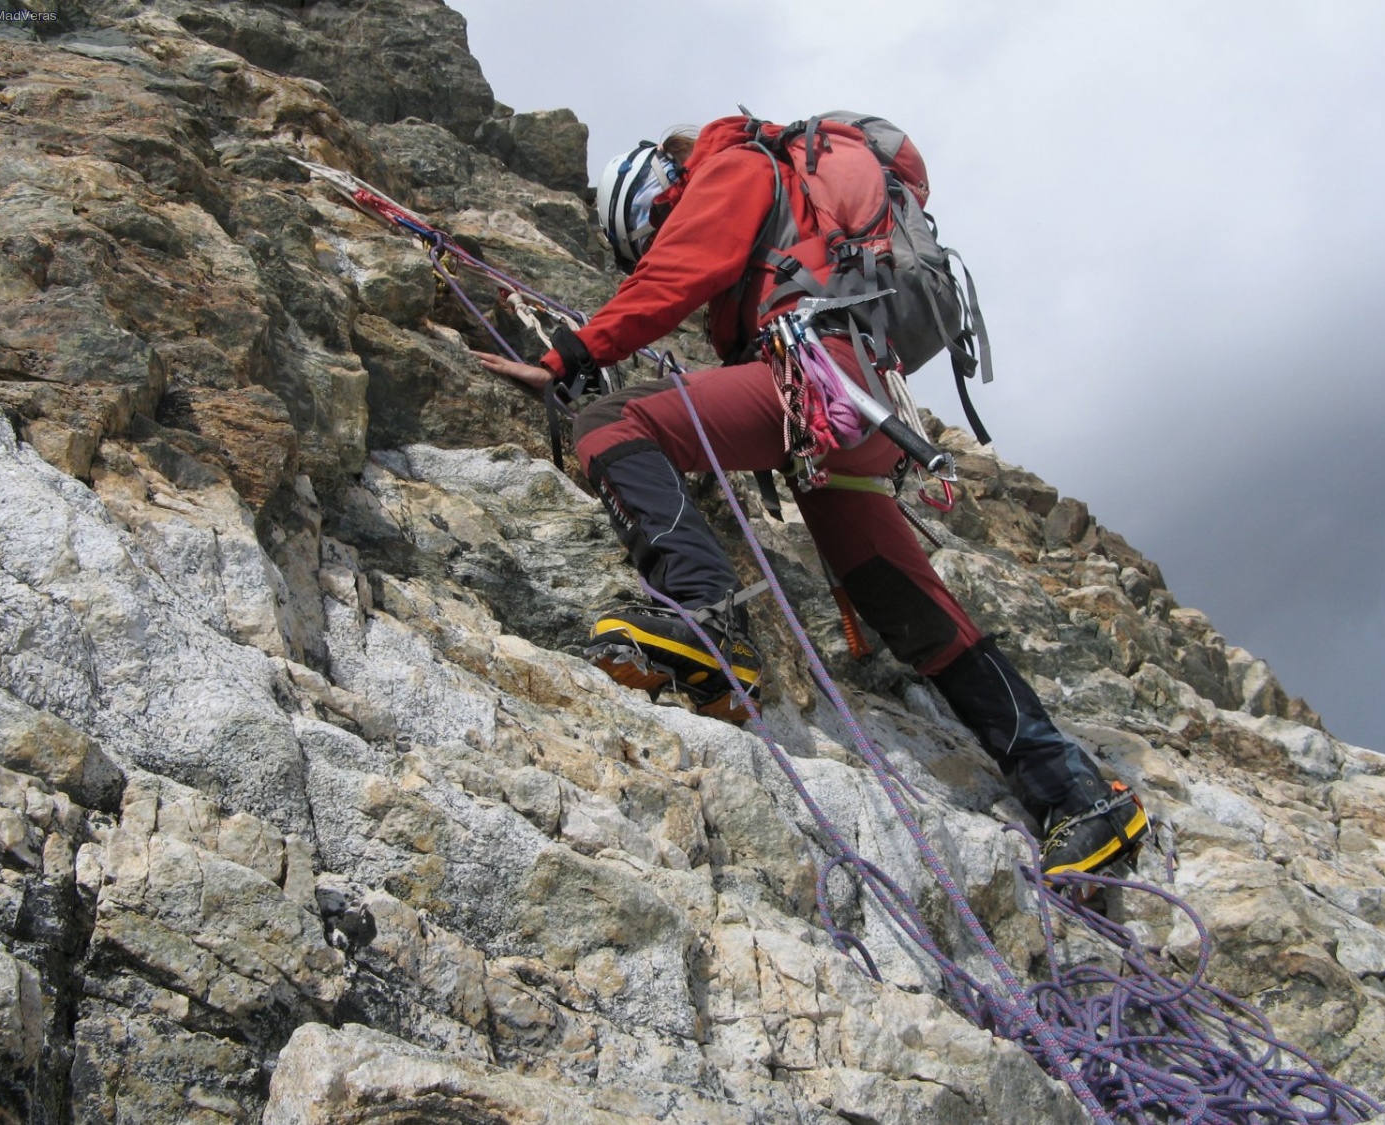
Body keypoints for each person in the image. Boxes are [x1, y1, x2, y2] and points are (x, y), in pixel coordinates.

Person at [474, 117, 1148, 876]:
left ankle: (706, 620)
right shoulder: (795, 191)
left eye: (648, 230)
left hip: (817, 378)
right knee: (906, 602)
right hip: (856, 401)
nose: (657, 238)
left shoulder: (727, 169)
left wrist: (568, 353)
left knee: (611, 419)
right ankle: (1073, 792)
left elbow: (676, 276)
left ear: (651, 194)